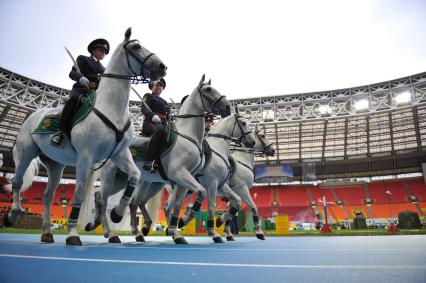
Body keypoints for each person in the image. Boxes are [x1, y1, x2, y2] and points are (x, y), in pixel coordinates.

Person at [51, 38, 110, 145]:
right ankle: (60, 131)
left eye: (105, 52)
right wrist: (81, 78)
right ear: (93, 50)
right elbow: (72, 73)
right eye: (101, 50)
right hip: (81, 89)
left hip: (96, 93)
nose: (103, 53)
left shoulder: (104, 69)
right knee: (73, 99)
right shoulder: (83, 59)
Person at [141, 78, 170, 172]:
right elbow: (144, 108)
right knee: (160, 131)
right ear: (151, 87)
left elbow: (168, 116)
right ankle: (149, 160)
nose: (159, 87)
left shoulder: (165, 102)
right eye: (156, 85)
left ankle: (160, 161)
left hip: (164, 124)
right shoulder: (148, 96)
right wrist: (152, 115)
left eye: (161, 86)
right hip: (151, 123)